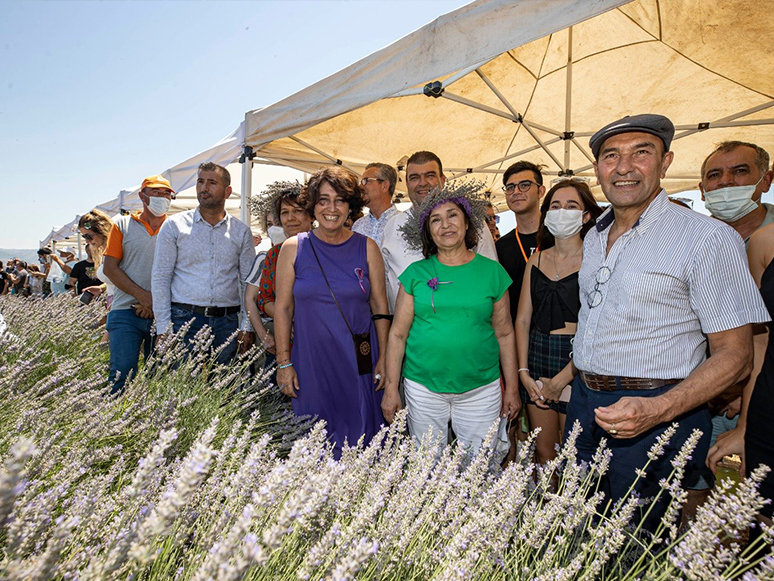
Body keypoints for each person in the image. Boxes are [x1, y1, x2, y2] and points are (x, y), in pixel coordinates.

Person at [566, 113, 769, 533]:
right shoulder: (592, 236)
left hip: (659, 411)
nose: (623, 167)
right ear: (598, 169)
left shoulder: (707, 238)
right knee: (578, 526)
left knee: (638, 540)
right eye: (611, 156)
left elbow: (737, 355)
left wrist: (658, 409)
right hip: (584, 403)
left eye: (641, 153)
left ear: (665, 162)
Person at [380, 182, 520, 455]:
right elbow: (397, 334)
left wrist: (512, 389)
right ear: (428, 232)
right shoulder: (415, 274)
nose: (445, 225)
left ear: (467, 223)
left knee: (479, 469)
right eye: (436, 219)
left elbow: (505, 333)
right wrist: (390, 390)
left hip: (481, 390)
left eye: (452, 215)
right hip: (423, 389)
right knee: (427, 467)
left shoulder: (493, 273)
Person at [274, 166, 390, 458]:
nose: (331, 208)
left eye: (339, 200)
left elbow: (380, 307)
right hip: (310, 364)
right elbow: (283, 309)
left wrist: (386, 359)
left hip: (359, 363)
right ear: (313, 205)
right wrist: (283, 363)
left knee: (363, 439)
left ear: (350, 206)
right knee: (314, 441)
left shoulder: (367, 248)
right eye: (323, 200)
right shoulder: (293, 248)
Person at [688, 141, 774, 507]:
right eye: (714, 175)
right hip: (696, 396)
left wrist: (746, 403)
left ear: (765, 180)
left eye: (739, 172)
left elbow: (760, 338)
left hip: (755, 404)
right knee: (691, 494)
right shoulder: (691, 239)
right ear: (703, 188)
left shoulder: (767, 242)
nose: (725, 183)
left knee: (741, 507)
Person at [515, 179, 602, 464]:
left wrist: (563, 378)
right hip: (538, 356)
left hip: (578, 361)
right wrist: (523, 372)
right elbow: (523, 320)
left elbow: (599, 328)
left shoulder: (598, 260)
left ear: (586, 215)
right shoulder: (536, 260)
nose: (562, 211)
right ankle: (543, 507)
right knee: (544, 453)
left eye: (571, 206)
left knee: (574, 455)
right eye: (555, 206)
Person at [152, 162, 255, 366]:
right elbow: (161, 277)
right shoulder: (174, 225)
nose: (204, 188)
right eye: (200, 182)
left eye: (212, 183)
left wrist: (247, 326)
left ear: (227, 191)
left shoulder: (241, 231)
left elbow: (248, 283)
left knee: (224, 388)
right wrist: (164, 328)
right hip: (184, 319)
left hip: (228, 321)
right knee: (182, 387)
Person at [707, 222, 774, 527]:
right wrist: (745, 428)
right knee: (762, 519)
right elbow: (759, 341)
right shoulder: (764, 241)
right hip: (768, 414)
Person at [381, 151, 497, 313]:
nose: (422, 183)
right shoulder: (393, 225)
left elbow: (490, 276)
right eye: (414, 178)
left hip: (462, 325)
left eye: (430, 175)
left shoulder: (470, 221)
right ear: (406, 183)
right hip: (407, 332)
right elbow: (385, 282)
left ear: (443, 180)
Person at [102, 175, 175, 393]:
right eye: (156, 193)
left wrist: (154, 303)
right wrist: (143, 296)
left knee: (160, 376)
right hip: (125, 311)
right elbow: (110, 268)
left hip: (163, 314)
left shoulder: (175, 227)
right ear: (143, 196)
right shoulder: (122, 225)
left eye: (167, 194)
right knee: (121, 373)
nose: (163, 198)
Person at [245, 181, 313, 372]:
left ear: (311, 214)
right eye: (284, 212)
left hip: (320, 341)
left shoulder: (326, 250)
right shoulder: (274, 254)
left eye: (297, 211)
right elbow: (263, 298)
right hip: (285, 345)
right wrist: (287, 317)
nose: (290, 218)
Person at [496, 161, 545, 324]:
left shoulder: (557, 238)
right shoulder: (500, 247)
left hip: (554, 336)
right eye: (510, 188)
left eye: (524, 185)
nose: (516, 192)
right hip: (515, 334)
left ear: (541, 191)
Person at [352, 162, 399, 245]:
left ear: (384, 186)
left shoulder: (403, 223)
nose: (360, 186)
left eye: (366, 181)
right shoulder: (358, 226)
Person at [70, 210, 112, 298]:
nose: (87, 241)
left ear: (101, 230)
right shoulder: (105, 254)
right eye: (84, 237)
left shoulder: (116, 250)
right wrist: (101, 288)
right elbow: (114, 283)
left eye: (88, 236)